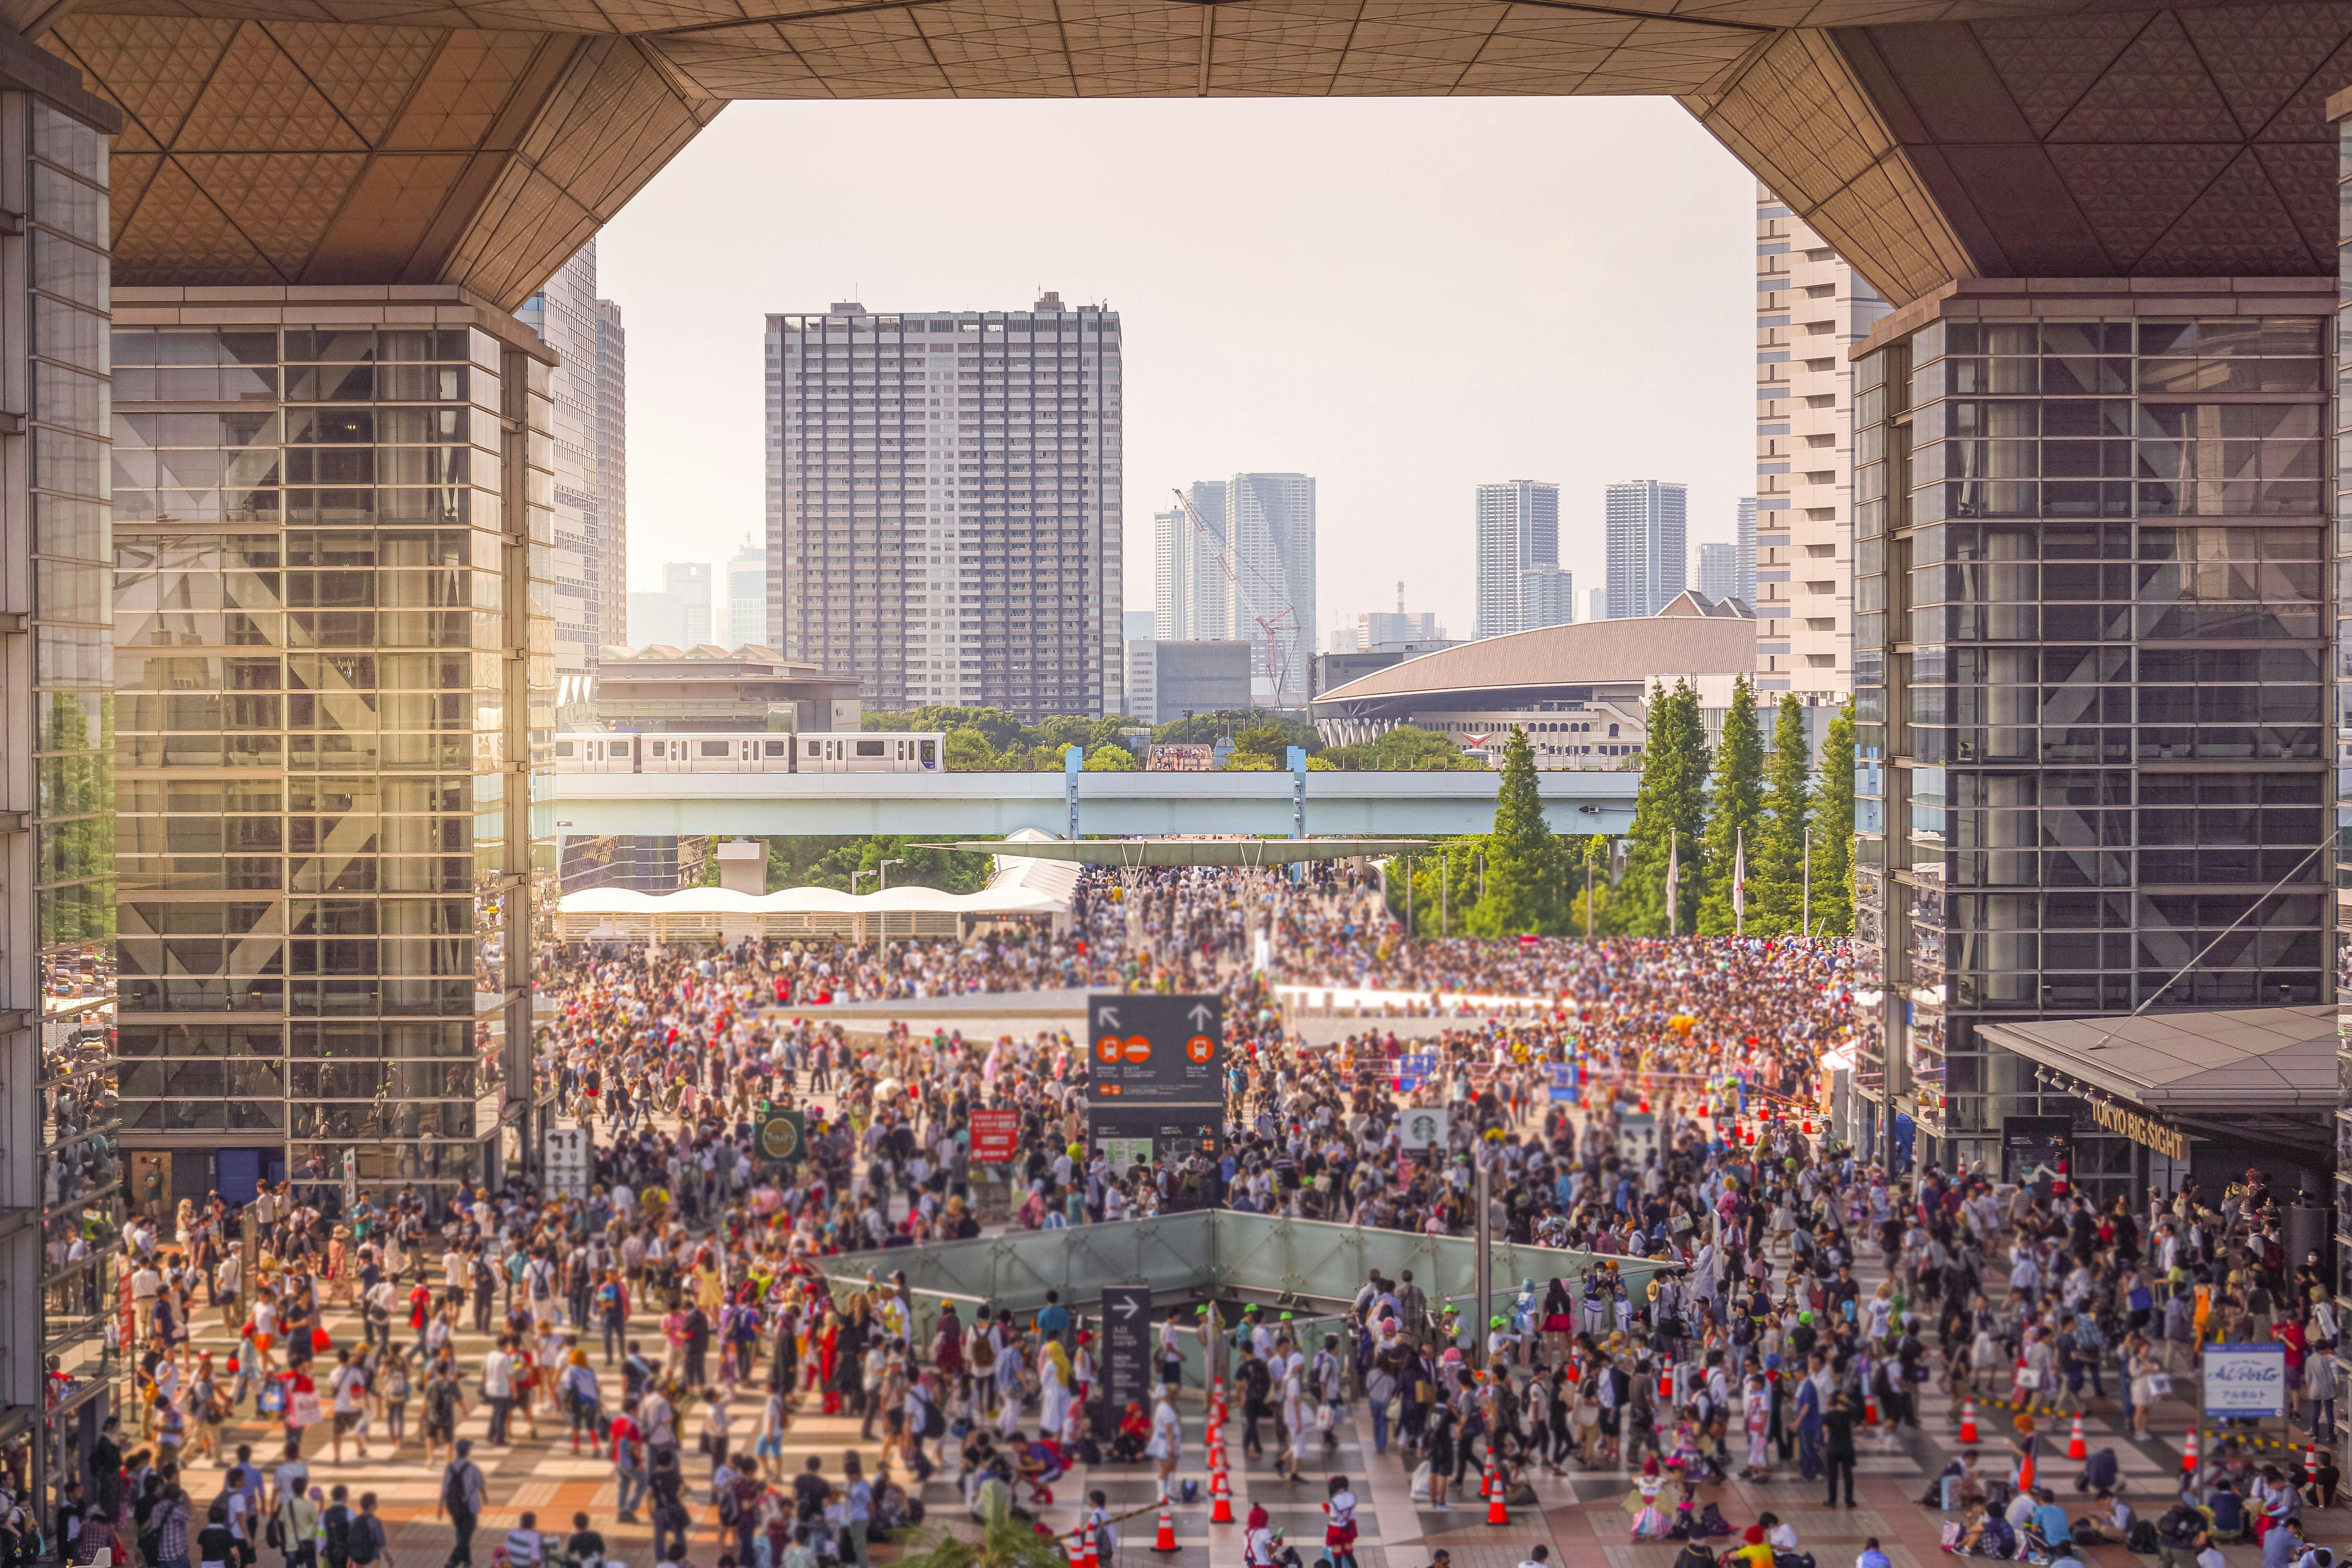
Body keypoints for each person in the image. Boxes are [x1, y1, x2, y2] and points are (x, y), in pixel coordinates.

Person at [437, 1439, 485, 1568]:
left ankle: (467, 1561)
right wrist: (485, 1498)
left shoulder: (450, 1468)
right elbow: (481, 1485)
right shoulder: (472, 1468)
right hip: (468, 1506)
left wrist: (440, 1508)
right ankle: (452, 1561)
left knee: (461, 1532)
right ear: (468, 1452)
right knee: (467, 1532)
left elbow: (445, 1489)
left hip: (453, 1506)